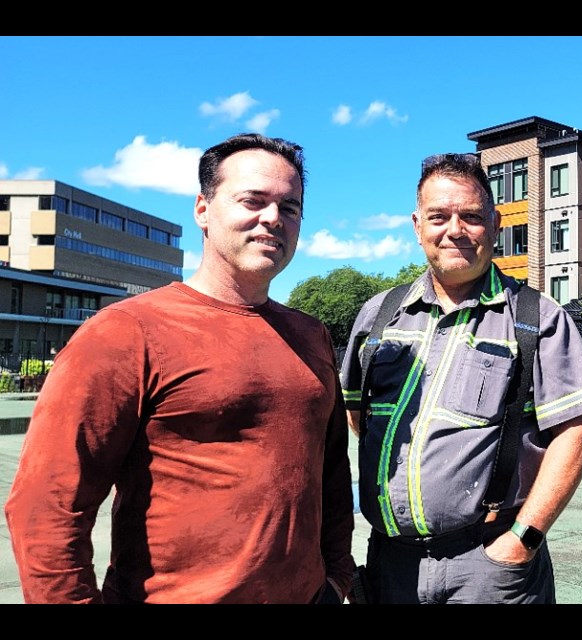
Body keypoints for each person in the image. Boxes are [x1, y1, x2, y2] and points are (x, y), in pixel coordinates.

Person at [4, 133, 355, 604]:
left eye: (290, 208)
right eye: (253, 200)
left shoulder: (310, 336)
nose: (273, 218)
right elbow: (47, 506)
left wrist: (336, 577)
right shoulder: (127, 331)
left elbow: (331, 472)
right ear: (203, 210)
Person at [340, 152, 582, 604]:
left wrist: (521, 539)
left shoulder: (537, 318)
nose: (455, 230)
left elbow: (575, 435)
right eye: (439, 216)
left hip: (488, 565)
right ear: (417, 225)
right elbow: (356, 415)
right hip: (390, 564)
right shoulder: (379, 314)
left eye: (471, 217)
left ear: (496, 224)